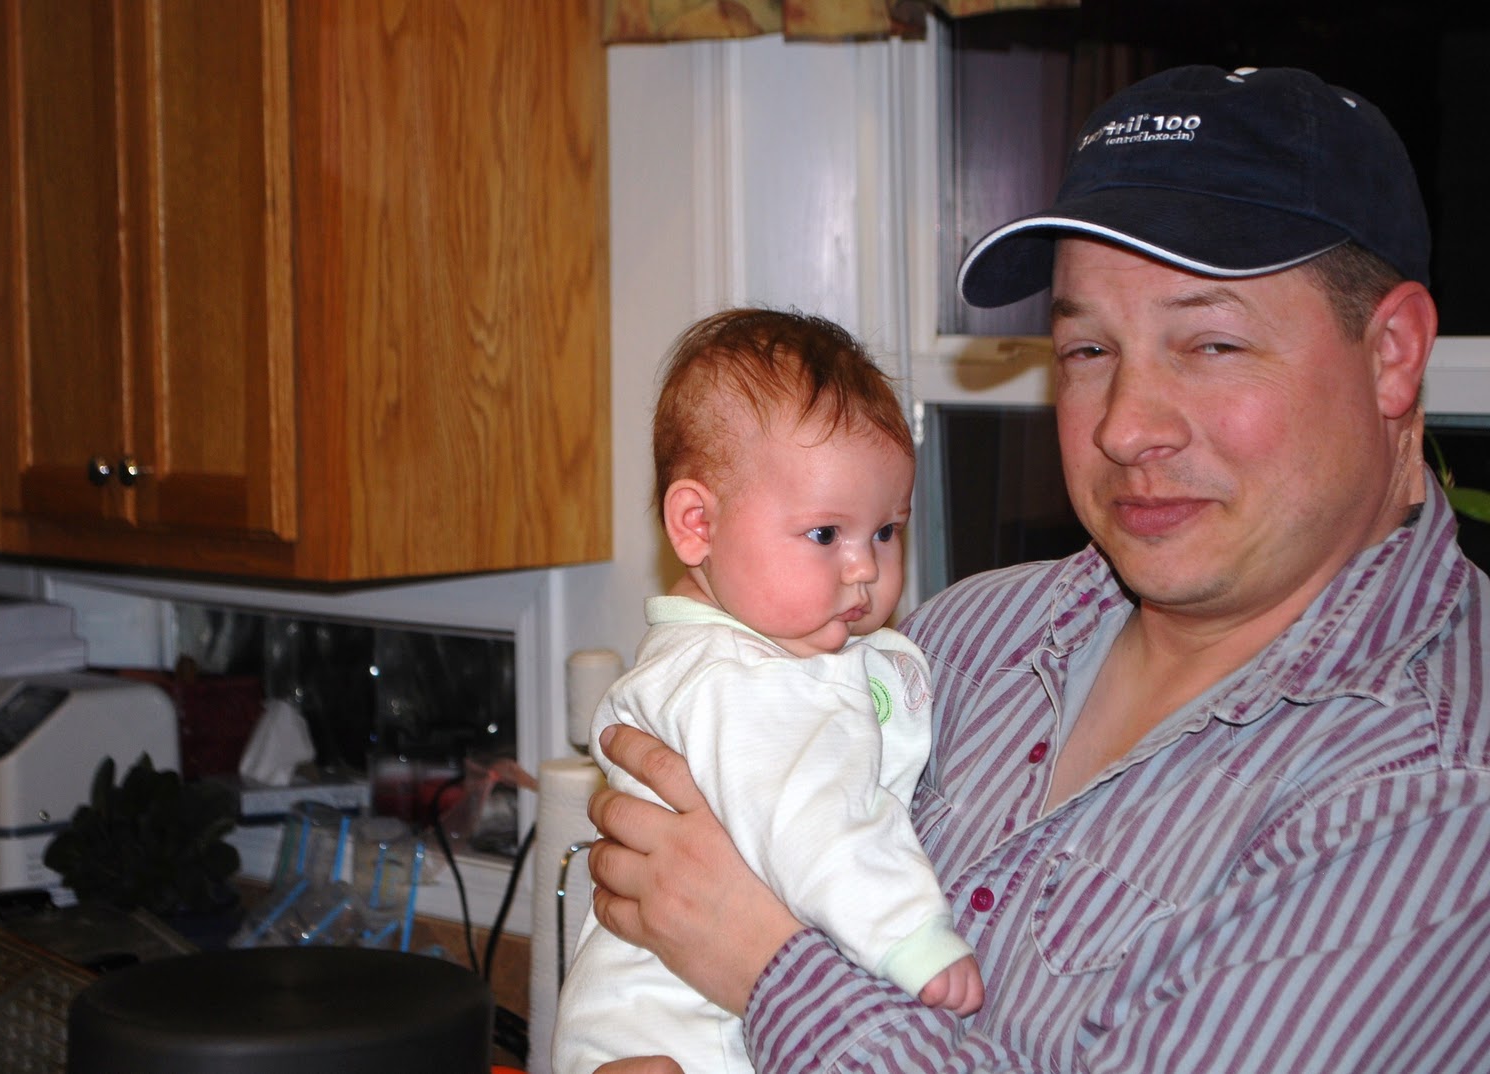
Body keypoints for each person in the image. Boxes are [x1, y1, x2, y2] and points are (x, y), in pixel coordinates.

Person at [583, 65, 1490, 1073]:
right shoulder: (963, 639)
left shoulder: (1432, 789)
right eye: (1088, 351)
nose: (1124, 428)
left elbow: (728, 913)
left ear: (1392, 352)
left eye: (1210, 344)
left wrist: (762, 965)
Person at [552, 308, 983, 1074]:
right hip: (685, 1038)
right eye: (825, 534)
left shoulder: (766, 651)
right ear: (697, 525)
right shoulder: (736, 678)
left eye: (886, 531)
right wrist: (909, 935)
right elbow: (812, 815)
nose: (865, 567)